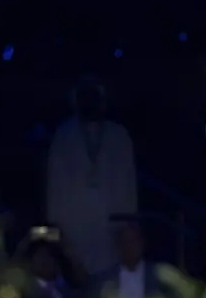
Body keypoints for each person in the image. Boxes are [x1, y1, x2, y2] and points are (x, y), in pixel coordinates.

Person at [46, 75, 138, 276]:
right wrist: (56, 228)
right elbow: (55, 187)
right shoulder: (64, 134)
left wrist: (128, 224)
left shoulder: (118, 135)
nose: (90, 102)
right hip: (73, 225)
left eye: (94, 97)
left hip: (111, 226)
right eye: (85, 97)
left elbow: (129, 185)